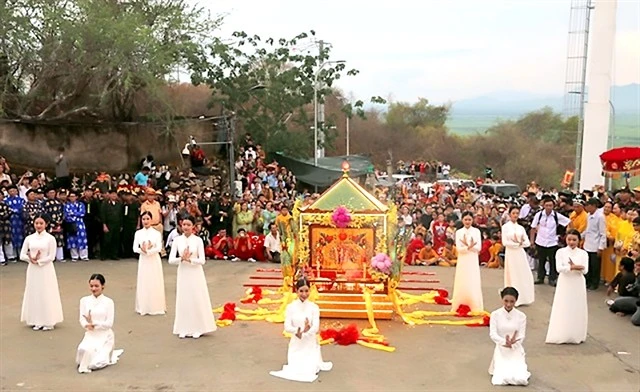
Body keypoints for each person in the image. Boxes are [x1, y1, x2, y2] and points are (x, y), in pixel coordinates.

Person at [270, 278, 333, 383]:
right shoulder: (291, 307)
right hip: (296, 341)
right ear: (296, 291)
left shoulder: (314, 307)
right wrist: (297, 331)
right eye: (301, 291)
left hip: (309, 342)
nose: (304, 294)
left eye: (306, 291)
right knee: (295, 368)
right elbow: (287, 326)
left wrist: (306, 332)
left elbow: (315, 327)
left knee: (309, 370)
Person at [168, 215, 216, 339]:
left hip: (195, 273)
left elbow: (202, 260)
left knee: (196, 298)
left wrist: (190, 260)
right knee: (184, 299)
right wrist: (181, 259)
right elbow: (171, 260)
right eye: (184, 225)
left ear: (193, 226)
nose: (186, 227)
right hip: (183, 272)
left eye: (188, 225)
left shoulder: (198, 240)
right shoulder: (177, 240)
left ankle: (198, 327)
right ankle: (184, 327)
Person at [19, 215, 64, 331]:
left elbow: (51, 256)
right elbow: (22, 255)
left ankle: (48, 320)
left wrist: (39, 261)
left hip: (45, 269)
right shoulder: (29, 238)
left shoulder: (50, 238)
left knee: (46, 292)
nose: (38, 225)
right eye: (36, 223)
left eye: (41, 223)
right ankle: (36, 320)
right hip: (32, 269)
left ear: (46, 224)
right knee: (34, 292)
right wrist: (31, 260)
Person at [545, 230, 589, 344]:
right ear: (565, 239)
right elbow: (559, 268)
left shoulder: (583, 253)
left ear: (579, 240)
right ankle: (562, 333)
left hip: (578, 282)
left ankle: (576, 334)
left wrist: (576, 267)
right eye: (569, 239)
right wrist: (572, 268)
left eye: (574, 240)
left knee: (576, 307)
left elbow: (585, 270)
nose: (571, 242)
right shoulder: (560, 252)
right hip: (565, 282)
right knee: (564, 306)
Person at [76, 274, 124, 373]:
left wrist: (95, 324)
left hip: (105, 336)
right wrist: (86, 325)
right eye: (91, 286)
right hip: (91, 334)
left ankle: (106, 353)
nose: (93, 288)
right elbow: (82, 318)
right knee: (81, 354)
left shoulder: (109, 302)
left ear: (103, 286)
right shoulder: (84, 300)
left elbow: (109, 323)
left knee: (95, 363)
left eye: (96, 286)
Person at [488, 287, 530, 386]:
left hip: (515, 349)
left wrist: (513, 343)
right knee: (501, 379)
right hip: (501, 348)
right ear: (501, 299)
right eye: (506, 301)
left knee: (520, 379)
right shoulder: (495, 314)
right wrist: (504, 342)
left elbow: (522, 335)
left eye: (512, 301)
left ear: (516, 301)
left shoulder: (521, 316)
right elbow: (493, 334)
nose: (508, 304)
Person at [530, 196, 570, 287]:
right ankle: (540, 277)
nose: (549, 207)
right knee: (541, 261)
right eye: (547, 205)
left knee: (552, 261)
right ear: (543, 206)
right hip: (540, 241)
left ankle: (552, 279)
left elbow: (568, 222)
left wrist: (567, 233)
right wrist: (532, 241)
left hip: (552, 242)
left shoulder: (556, 216)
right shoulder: (539, 215)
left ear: (553, 206)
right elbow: (533, 228)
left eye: (550, 205)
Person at [133, 211, 166, 316]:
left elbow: (159, 248)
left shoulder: (156, 233)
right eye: (144, 219)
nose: (145, 221)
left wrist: (149, 251)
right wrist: (142, 251)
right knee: (144, 281)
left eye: (147, 219)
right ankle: (143, 306)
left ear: (151, 220)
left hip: (154, 259)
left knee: (154, 281)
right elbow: (134, 248)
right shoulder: (138, 233)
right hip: (143, 260)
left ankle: (156, 306)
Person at [451, 211, 484, 312]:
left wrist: (470, 248)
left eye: (469, 219)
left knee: (473, 279)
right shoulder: (459, 232)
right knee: (462, 279)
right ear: (462, 220)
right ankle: (460, 301)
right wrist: (467, 248)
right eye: (466, 219)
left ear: (472, 220)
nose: (467, 221)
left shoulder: (477, 231)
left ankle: (474, 303)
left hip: (473, 258)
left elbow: (479, 247)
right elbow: (458, 248)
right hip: (463, 258)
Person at [502, 206, 535, 306]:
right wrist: (517, 244)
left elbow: (527, 242)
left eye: (517, 213)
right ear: (509, 214)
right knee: (513, 274)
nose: (515, 215)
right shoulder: (505, 227)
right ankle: (512, 297)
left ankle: (524, 297)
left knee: (523, 274)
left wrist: (520, 244)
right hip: (511, 253)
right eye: (513, 213)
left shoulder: (520, 228)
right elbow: (505, 242)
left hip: (520, 253)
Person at [583, 198, 607, 290]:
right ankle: (588, 282)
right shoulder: (589, 215)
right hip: (587, 244)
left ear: (593, 206)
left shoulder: (600, 217)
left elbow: (603, 233)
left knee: (595, 266)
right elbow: (588, 230)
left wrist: (600, 247)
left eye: (588, 206)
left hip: (595, 245)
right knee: (588, 265)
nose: (586, 208)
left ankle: (594, 283)